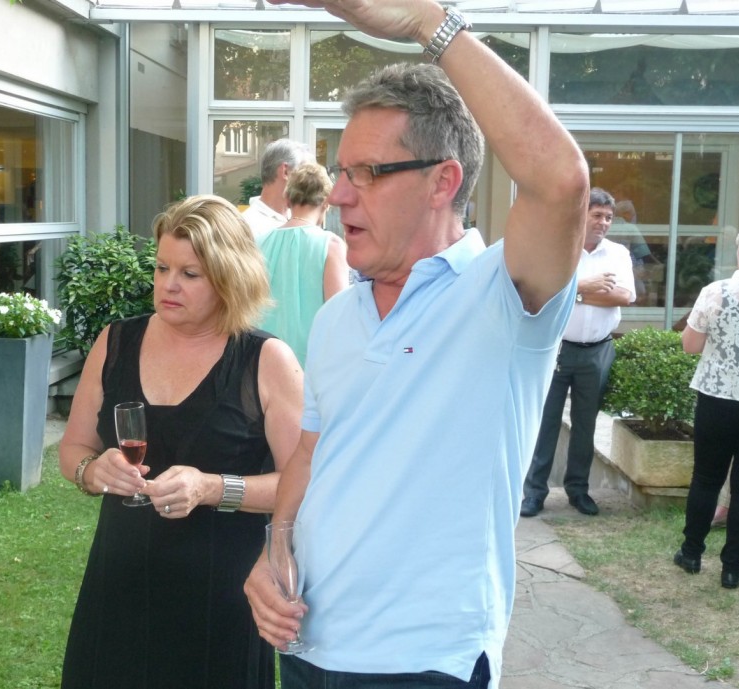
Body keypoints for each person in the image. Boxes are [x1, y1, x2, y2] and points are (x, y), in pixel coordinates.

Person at [243, 0, 590, 686]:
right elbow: (313, 452)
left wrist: (428, 23)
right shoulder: (338, 316)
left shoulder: (501, 296)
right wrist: (274, 544)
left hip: (423, 662)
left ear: (443, 181)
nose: (340, 196)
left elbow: (560, 182)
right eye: (341, 172)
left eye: (366, 173)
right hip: (308, 643)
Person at [58, 195, 304, 689]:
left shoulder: (265, 360)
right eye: (162, 267)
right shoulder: (115, 342)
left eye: (190, 274)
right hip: (117, 588)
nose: (169, 284)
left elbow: (305, 484)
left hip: (221, 600)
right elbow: (73, 449)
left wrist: (211, 487)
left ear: (230, 277)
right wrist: (92, 471)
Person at [520, 188, 636, 518]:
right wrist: (585, 288)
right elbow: (542, 293)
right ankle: (535, 492)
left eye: (609, 218)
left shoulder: (618, 254)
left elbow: (624, 296)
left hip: (597, 351)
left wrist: (573, 292)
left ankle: (578, 490)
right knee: (546, 421)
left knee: (586, 424)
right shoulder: (558, 247)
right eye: (597, 215)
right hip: (556, 348)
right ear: (581, 215)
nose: (604, 223)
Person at [673, 222, 739, 590]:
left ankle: (691, 552)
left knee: (706, 478)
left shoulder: (715, 291)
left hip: (717, 398)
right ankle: (733, 567)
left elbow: (690, 345)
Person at [257, 161, 350, 365]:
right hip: (310, 362)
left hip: (260, 359)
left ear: (288, 199)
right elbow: (339, 315)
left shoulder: (258, 242)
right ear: (326, 202)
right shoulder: (331, 246)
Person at [242, 138, 314, 239]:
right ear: (285, 171)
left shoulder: (299, 217)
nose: (310, 181)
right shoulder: (246, 226)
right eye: (304, 173)